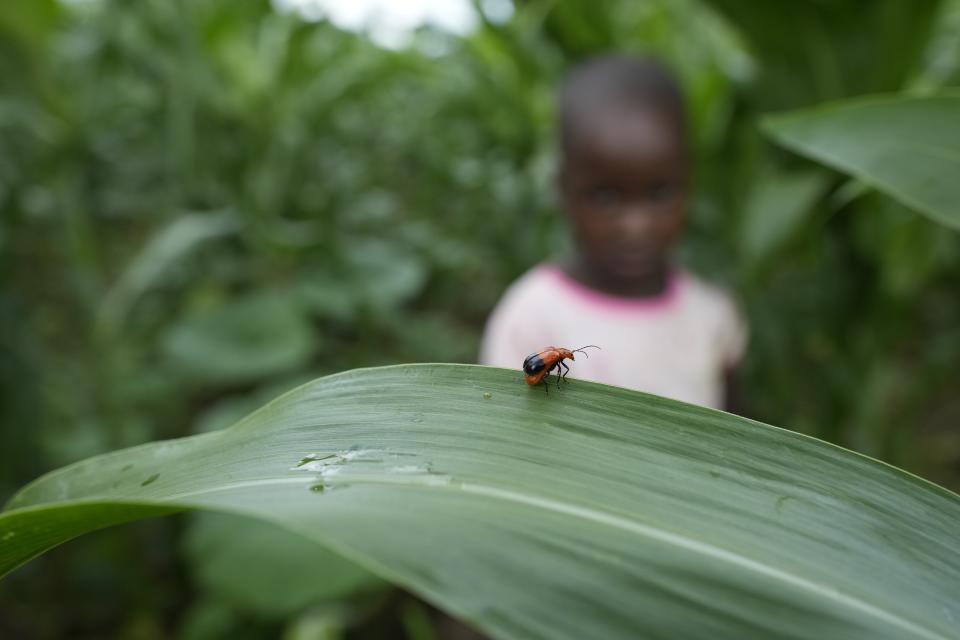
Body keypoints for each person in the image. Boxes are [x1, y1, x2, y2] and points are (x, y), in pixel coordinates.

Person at [479, 54, 747, 412]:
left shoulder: (713, 315)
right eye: (605, 197)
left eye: (660, 193)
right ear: (561, 190)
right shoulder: (530, 315)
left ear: (690, 184)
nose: (635, 226)